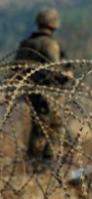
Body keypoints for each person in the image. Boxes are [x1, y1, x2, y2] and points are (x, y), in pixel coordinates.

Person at [14, 8, 70, 172]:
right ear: (54, 25)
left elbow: (17, 68)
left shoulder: (27, 44)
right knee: (53, 128)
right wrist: (67, 74)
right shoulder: (50, 44)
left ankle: (35, 164)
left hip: (32, 91)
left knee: (38, 127)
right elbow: (56, 70)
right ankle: (44, 165)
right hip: (49, 93)